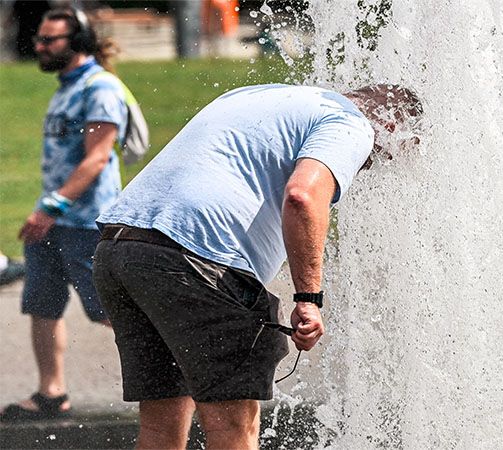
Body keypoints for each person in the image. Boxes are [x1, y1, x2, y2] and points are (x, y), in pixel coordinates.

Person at [91, 83, 421, 449]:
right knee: (233, 429)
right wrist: (308, 298)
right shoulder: (351, 122)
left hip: (120, 247)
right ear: (393, 125)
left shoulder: (262, 97)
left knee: (160, 429)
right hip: (198, 262)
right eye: (396, 153)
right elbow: (302, 197)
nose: (380, 164)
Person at [0, 8, 128, 422]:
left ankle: (176, 382)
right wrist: (46, 212)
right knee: (41, 304)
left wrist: (50, 208)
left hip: (88, 223)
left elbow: (96, 160)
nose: (38, 46)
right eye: (39, 38)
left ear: (77, 43)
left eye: (48, 40)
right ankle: (51, 393)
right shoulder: (66, 87)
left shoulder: (100, 87)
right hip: (52, 221)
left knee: (112, 311)